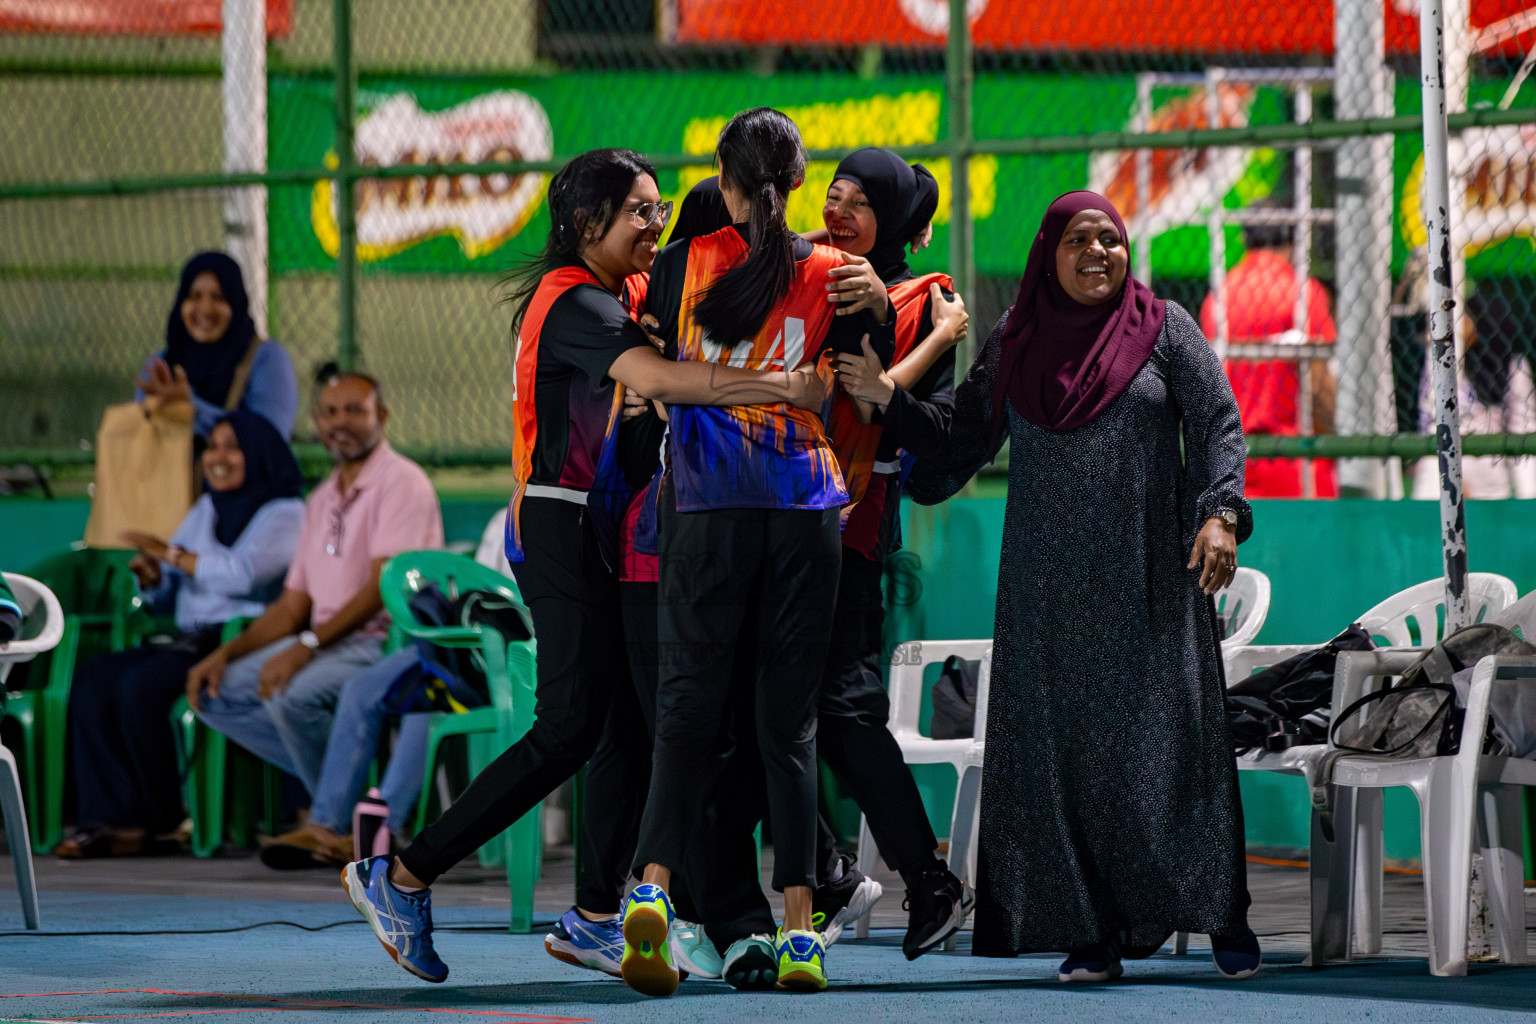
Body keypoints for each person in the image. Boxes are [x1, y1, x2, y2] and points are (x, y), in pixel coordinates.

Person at [340, 148, 829, 986]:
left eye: (659, 207)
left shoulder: (617, 289)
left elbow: (721, 264)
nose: (657, 224)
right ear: (586, 223)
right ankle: (405, 874)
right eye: (639, 211)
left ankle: (599, 915)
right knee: (570, 726)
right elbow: (666, 379)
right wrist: (784, 389)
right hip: (559, 529)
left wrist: (824, 247)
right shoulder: (574, 305)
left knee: (629, 728)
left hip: (594, 527)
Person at [904, 191, 1262, 982]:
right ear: (1047, 252)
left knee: (1177, 755)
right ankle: (1091, 933)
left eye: (1111, 240)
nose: (1098, 254)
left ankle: (1221, 915)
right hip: (1048, 594)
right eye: (1079, 241)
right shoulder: (1017, 339)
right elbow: (959, 437)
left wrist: (1221, 517)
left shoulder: (1167, 327)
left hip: (1151, 583)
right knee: (1065, 764)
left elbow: (1218, 427)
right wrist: (884, 406)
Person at [623, 108, 896, 998]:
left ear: (728, 185)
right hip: (806, 504)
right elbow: (862, 378)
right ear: (799, 179)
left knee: (686, 713)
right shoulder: (837, 273)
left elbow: (649, 371)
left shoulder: (678, 266)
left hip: (706, 506)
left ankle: (656, 893)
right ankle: (798, 934)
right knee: (790, 728)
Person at [814, 146, 975, 958]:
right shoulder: (803, 272)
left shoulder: (923, 299)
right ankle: (824, 874)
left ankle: (918, 880)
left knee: (839, 709)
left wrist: (897, 372)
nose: (836, 209)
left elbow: (937, 431)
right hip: (760, 517)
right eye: (830, 193)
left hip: (847, 529)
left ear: (897, 225)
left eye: (859, 202)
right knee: (751, 707)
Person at [187, 369, 444, 863]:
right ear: (316, 422)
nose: (340, 422)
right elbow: (292, 606)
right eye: (329, 412)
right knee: (214, 694)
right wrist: (224, 654)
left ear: (381, 417)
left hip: (381, 642)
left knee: (290, 693)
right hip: (327, 642)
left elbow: (378, 591)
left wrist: (305, 647)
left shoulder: (402, 482)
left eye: (354, 410)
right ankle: (349, 809)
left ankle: (333, 817)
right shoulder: (322, 497)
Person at [55, 411, 304, 858]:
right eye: (212, 447)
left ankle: (162, 818)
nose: (218, 457)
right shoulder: (205, 509)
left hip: (236, 643)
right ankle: (112, 819)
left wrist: (169, 553)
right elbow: (172, 587)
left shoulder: (286, 512)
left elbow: (242, 575)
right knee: (93, 680)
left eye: (233, 446)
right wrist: (153, 577)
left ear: (260, 453)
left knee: (138, 690)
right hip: (185, 638)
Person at [1199, 213, 1336, 497]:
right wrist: (1338, 431)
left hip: (1230, 458)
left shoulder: (1217, 299)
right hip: (1294, 458)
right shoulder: (1301, 293)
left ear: (1244, 239)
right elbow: (1319, 383)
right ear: (1294, 241)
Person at [137, 252, 299, 441]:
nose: (205, 308)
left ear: (236, 303)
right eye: (194, 296)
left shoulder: (266, 358)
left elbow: (271, 439)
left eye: (219, 297)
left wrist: (188, 408)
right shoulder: (161, 364)